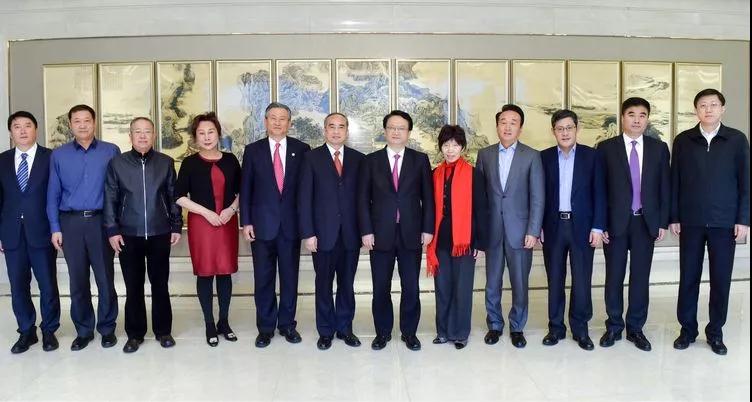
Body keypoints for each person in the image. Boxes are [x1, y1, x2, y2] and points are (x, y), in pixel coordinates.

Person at [670, 88, 750, 355]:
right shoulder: (683, 140)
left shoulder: (736, 140)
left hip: (724, 223)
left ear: (722, 109)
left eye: (713, 105)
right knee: (688, 278)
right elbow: (674, 181)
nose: (708, 109)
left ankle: (715, 332)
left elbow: (745, 183)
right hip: (690, 222)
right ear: (696, 110)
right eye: (703, 105)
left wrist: (743, 219)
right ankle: (687, 330)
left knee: (720, 280)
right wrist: (674, 216)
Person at [103, 117, 182, 353]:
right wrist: (112, 230)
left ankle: (163, 331)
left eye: (147, 131)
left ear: (154, 135)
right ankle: (135, 334)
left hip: (160, 232)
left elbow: (173, 196)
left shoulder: (165, 162)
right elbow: (110, 197)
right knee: (133, 286)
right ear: (130, 136)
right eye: (137, 132)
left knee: (160, 284)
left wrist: (176, 226)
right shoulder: (117, 164)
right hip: (129, 233)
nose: (142, 136)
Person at [597, 97, 670, 352]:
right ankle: (614, 326)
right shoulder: (606, 148)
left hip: (645, 223)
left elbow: (664, 187)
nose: (637, 119)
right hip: (615, 224)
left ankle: (636, 328)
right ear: (622, 118)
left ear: (647, 119)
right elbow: (600, 190)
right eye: (631, 114)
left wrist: (662, 222)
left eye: (642, 115)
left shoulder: (659, 148)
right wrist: (601, 224)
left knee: (640, 278)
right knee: (614, 277)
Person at [358, 110, 434, 351]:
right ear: (385, 131)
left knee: (411, 287)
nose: (396, 132)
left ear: (408, 132)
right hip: (380, 234)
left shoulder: (420, 160)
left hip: (412, 233)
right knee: (380, 287)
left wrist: (428, 228)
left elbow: (428, 198)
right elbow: (362, 199)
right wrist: (366, 230)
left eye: (401, 128)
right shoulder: (371, 161)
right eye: (392, 127)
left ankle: (409, 332)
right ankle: (382, 332)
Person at [47, 104, 120, 351]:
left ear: (94, 122)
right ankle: (84, 330)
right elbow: (53, 194)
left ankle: (107, 328)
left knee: (105, 278)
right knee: (77, 281)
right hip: (71, 223)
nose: (82, 125)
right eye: (76, 121)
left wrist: (116, 226)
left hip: (102, 222)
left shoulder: (111, 151)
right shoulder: (59, 155)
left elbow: (118, 191)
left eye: (86, 120)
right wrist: (55, 227)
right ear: (70, 125)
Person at [240, 103, 311, 348]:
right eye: (273, 118)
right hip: (261, 226)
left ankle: (287, 325)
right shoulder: (253, 150)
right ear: (265, 121)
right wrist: (246, 221)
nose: (278, 122)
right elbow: (246, 188)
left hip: (291, 226)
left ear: (289, 123)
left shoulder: (302, 150)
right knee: (263, 279)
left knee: (290, 278)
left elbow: (305, 191)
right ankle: (265, 328)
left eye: (283, 119)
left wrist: (306, 225)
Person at [476, 104, 544, 349]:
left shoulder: (531, 156)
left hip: (521, 231)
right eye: (503, 122)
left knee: (520, 282)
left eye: (513, 122)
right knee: (492, 282)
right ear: (497, 126)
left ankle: (517, 326)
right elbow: (480, 197)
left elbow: (537, 197)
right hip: (493, 230)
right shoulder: (484, 155)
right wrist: (480, 232)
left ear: (520, 128)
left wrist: (533, 231)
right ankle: (494, 324)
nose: (507, 127)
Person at [539, 109, 606, 351]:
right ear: (553, 131)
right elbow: (539, 195)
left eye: (569, 128)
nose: (565, 132)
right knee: (554, 279)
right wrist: (538, 226)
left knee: (582, 280)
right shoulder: (544, 157)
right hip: (553, 226)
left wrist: (598, 226)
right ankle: (555, 327)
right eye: (560, 128)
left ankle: (580, 329)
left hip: (583, 227)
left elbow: (600, 193)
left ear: (577, 129)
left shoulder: (592, 156)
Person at [298, 113, 365, 350]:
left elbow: (363, 199)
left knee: (347, 284)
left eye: (341, 127)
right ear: (324, 130)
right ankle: (325, 331)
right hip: (322, 235)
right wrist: (308, 233)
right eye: (332, 127)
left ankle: (345, 328)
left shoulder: (359, 159)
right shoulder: (311, 158)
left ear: (347, 131)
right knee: (323, 284)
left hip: (350, 234)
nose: (336, 131)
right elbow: (304, 198)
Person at [176, 112, 241, 347]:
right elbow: (179, 196)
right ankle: (209, 324)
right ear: (195, 137)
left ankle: (224, 321)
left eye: (210, 132)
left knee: (225, 272)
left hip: (226, 222)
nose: (206, 137)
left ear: (218, 134)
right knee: (205, 273)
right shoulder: (189, 163)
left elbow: (242, 191)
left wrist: (230, 210)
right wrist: (206, 213)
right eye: (201, 133)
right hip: (202, 224)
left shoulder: (231, 160)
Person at [0, 111, 61, 353]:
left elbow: (57, 195)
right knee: (18, 286)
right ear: (11, 132)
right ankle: (26, 331)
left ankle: (49, 330)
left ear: (36, 129)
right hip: (12, 233)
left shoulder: (51, 158)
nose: (23, 130)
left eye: (27, 125)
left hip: (42, 231)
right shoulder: (2, 160)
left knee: (48, 284)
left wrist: (57, 228)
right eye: (17, 126)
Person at [425, 125, 487, 349]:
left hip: (465, 240)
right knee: (442, 287)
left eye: (455, 145)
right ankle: (442, 331)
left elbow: (481, 210)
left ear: (462, 147)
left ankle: (460, 333)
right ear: (441, 147)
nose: (450, 149)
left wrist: (480, 242)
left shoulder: (473, 174)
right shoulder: (435, 174)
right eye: (446, 145)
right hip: (440, 239)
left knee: (462, 288)